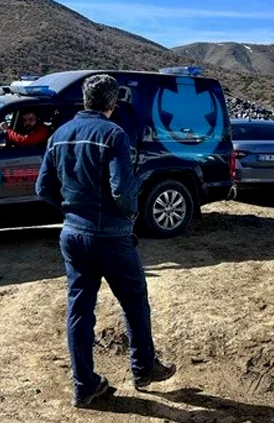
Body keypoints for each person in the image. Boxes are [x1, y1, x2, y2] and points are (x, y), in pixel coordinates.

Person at [35, 74, 176, 408]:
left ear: (85, 100)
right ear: (113, 104)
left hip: (73, 234)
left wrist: (71, 210)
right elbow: (122, 190)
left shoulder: (59, 135)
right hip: (110, 236)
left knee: (79, 309)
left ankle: (84, 385)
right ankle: (143, 367)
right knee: (134, 301)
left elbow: (43, 188)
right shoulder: (113, 135)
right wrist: (130, 214)